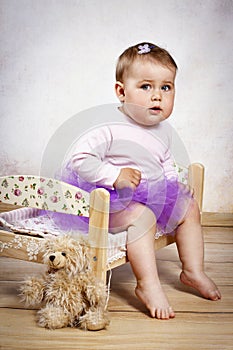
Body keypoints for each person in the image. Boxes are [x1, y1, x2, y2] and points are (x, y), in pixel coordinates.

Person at [62, 42, 221, 320]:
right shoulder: (108, 128)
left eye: (166, 87)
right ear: (122, 92)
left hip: (149, 194)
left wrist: (174, 182)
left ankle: (193, 270)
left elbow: (165, 161)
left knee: (190, 208)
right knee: (144, 218)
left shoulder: (163, 130)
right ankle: (147, 284)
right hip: (108, 201)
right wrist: (115, 175)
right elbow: (80, 159)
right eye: (146, 87)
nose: (157, 96)